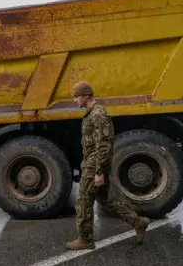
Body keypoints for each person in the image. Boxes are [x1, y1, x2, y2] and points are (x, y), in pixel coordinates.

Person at [65, 81, 151, 250]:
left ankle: (85, 239)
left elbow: (104, 145)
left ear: (87, 96)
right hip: (93, 163)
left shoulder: (98, 115)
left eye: (77, 96)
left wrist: (99, 171)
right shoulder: (92, 114)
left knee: (83, 200)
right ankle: (138, 222)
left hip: (94, 164)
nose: (75, 100)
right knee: (106, 199)